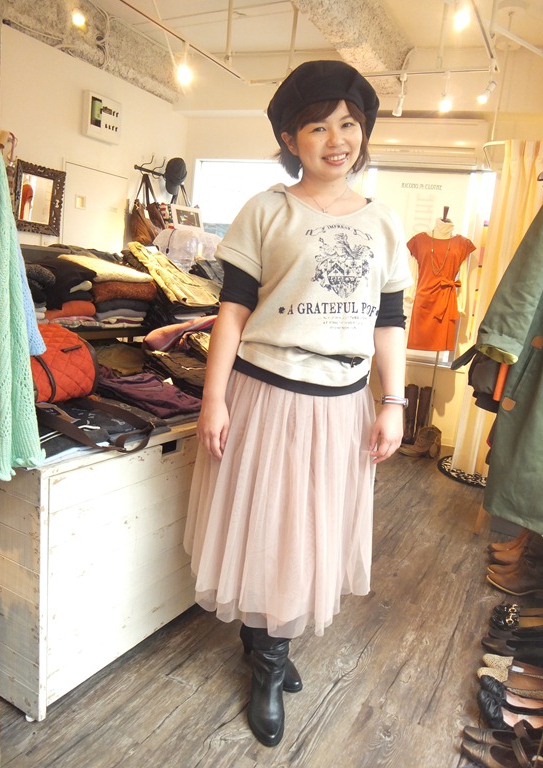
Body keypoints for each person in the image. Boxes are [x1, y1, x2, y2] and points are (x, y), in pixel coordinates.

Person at [184, 60, 413, 748]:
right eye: (317, 127)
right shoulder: (267, 210)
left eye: (348, 124)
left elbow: (390, 322)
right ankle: (267, 661)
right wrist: (214, 397)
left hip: (341, 403)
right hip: (267, 392)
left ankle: (268, 644)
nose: (336, 140)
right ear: (290, 137)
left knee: (309, 529)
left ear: (363, 132)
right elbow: (232, 310)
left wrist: (393, 401)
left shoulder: (384, 223)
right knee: (268, 524)